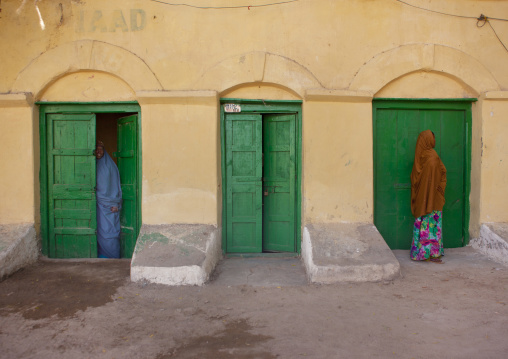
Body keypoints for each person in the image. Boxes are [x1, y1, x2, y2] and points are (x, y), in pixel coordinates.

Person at [410, 130, 447, 263]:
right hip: (433, 199)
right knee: (432, 224)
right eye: (433, 138)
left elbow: (414, 178)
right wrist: (438, 188)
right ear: (428, 140)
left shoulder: (419, 158)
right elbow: (442, 172)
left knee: (423, 223)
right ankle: (433, 253)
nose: (435, 141)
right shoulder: (433, 156)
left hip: (422, 198)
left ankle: (420, 253)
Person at [95, 140, 122, 258]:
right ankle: (101, 256)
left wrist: (116, 203)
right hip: (99, 206)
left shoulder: (111, 167)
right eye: (96, 148)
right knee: (100, 232)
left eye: (101, 148)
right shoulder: (92, 165)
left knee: (110, 233)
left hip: (110, 207)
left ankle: (114, 258)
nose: (98, 151)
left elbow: (115, 186)